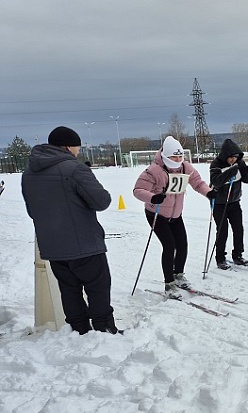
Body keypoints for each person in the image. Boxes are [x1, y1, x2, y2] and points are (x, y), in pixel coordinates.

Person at [21, 126, 117, 334]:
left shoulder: (28, 173)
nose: (78, 152)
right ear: (67, 147)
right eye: (77, 148)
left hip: (53, 247)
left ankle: (79, 329)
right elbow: (101, 201)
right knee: (98, 286)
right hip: (84, 244)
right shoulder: (75, 169)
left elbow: (32, 211)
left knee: (68, 289)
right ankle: (104, 329)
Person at [133, 136, 215, 298]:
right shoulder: (154, 171)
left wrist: (209, 193)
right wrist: (152, 197)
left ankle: (178, 274)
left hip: (176, 214)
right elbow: (138, 190)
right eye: (174, 157)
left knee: (182, 244)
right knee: (169, 246)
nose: (177, 160)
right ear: (165, 156)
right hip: (157, 214)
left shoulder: (185, 167)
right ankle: (169, 283)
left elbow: (198, 183)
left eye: (180, 156)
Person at [209, 139, 248, 270]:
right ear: (225, 155)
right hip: (219, 203)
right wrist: (230, 172)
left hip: (234, 202)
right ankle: (220, 259)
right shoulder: (216, 164)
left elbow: (246, 179)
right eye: (230, 157)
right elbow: (216, 181)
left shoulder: (239, 163)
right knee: (222, 231)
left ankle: (238, 255)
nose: (233, 160)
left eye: (235, 157)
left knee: (238, 228)